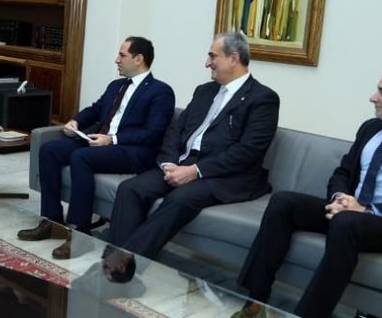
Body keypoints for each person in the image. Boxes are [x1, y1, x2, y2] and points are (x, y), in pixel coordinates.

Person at [232, 67, 382, 318]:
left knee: (347, 222)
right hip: (350, 214)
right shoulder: (370, 128)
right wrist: (340, 198)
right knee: (284, 202)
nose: (373, 98)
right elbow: (343, 172)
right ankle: (255, 300)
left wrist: (367, 210)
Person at [105, 31, 280, 272]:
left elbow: (248, 151)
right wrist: (169, 163)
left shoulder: (263, 99)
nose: (207, 63)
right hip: (181, 164)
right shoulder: (204, 91)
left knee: (179, 199)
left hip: (223, 175)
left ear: (233, 58)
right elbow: (176, 130)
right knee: (131, 189)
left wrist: (195, 171)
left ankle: (121, 267)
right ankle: (115, 265)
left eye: (212, 56)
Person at [17, 36, 176, 259]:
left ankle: (80, 235)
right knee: (50, 150)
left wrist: (112, 139)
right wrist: (75, 121)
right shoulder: (116, 85)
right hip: (100, 141)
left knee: (81, 157)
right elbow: (95, 109)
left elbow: (153, 132)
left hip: (132, 151)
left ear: (139, 59)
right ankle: (52, 222)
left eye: (122, 55)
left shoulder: (161, 91)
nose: (116, 60)